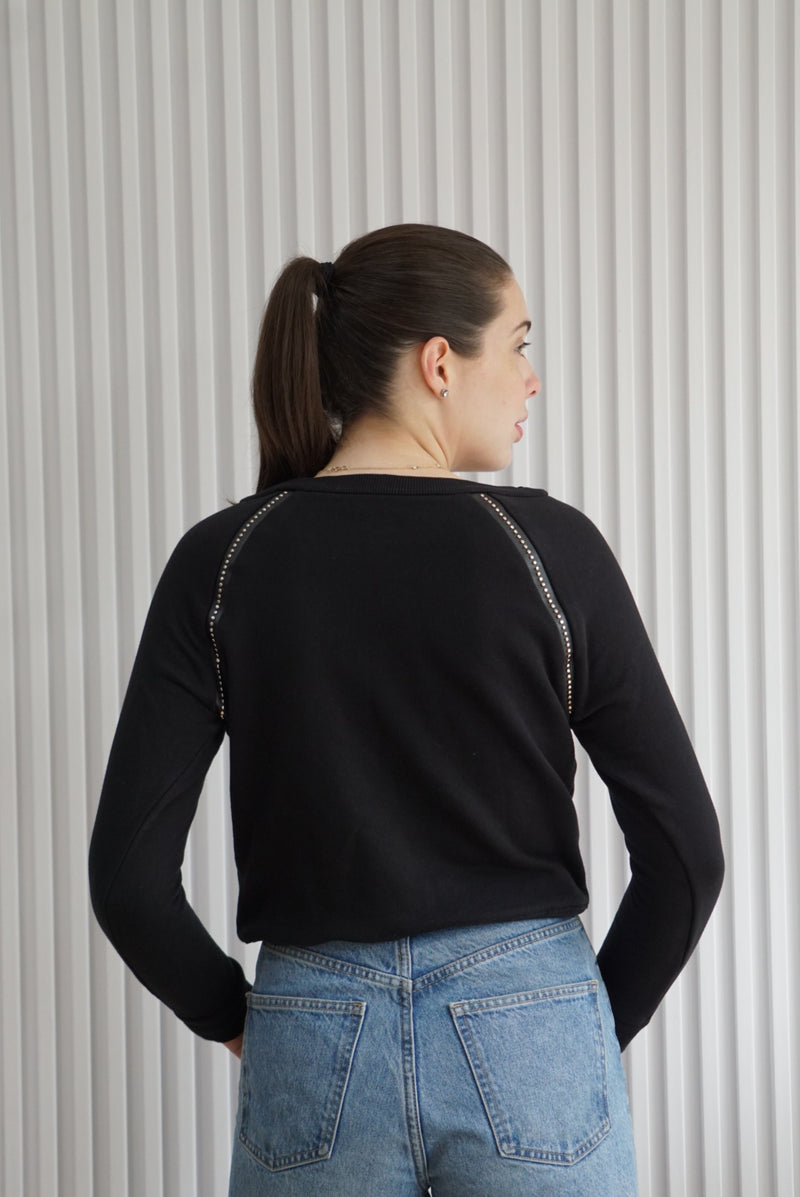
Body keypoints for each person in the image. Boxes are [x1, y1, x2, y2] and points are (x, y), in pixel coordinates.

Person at [89, 223, 724, 1196]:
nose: (530, 379)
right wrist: (581, 1020)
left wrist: (238, 1018)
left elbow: (128, 879)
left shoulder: (223, 561)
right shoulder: (550, 550)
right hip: (532, 1023)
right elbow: (685, 854)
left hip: (312, 1027)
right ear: (439, 363)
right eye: (516, 344)